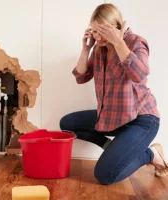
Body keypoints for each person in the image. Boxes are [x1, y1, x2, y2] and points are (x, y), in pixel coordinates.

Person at [60, 3, 168, 185]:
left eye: (103, 31)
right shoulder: (99, 49)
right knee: (67, 124)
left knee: (104, 175)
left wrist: (119, 42)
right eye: (94, 31)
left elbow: (140, 74)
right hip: (114, 117)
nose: (98, 36)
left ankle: (151, 154)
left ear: (117, 27)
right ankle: (115, 148)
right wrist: (86, 49)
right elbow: (81, 77)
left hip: (142, 120)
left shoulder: (135, 42)